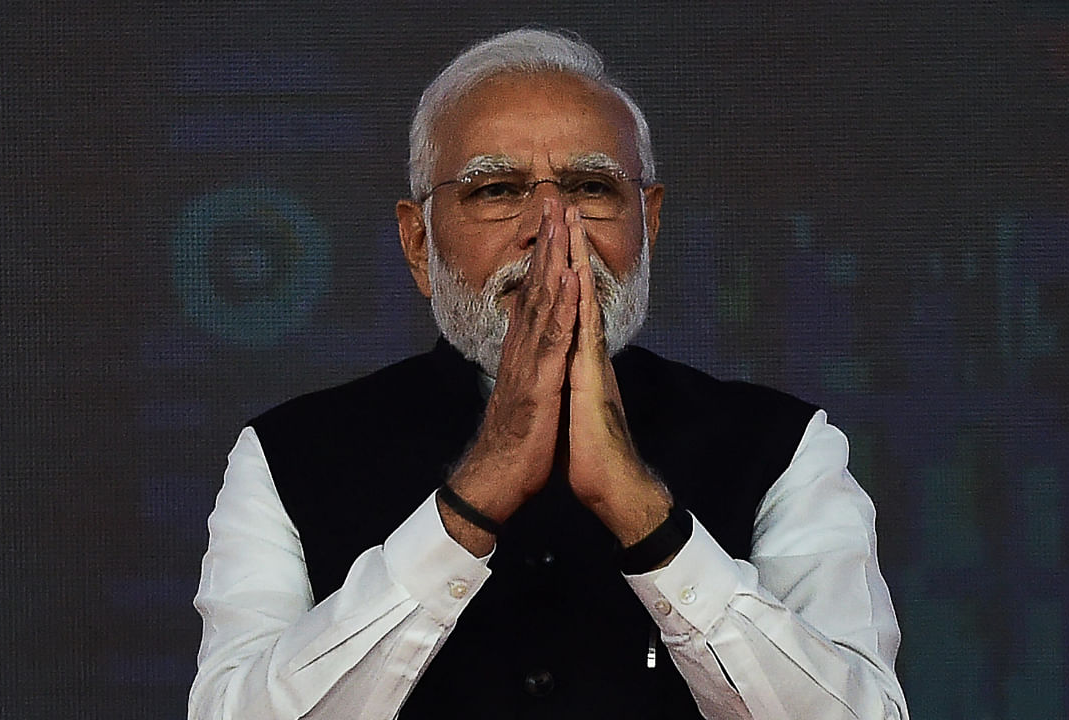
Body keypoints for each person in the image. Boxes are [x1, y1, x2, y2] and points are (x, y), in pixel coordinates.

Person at [189, 28, 908, 720]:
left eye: (591, 187)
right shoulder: (285, 455)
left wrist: (645, 518)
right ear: (418, 241)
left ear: (647, 225)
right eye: (497, 190)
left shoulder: (786, 447)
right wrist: (472, 501)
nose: (550, 227)